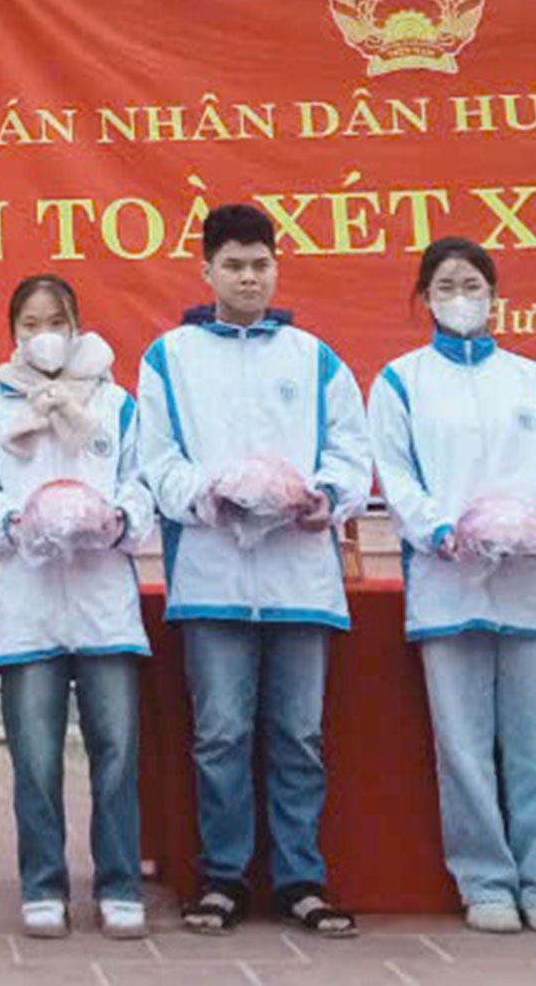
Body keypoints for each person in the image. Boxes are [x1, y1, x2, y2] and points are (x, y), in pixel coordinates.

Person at [136, 203, 368, 939]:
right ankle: (223, 878)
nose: (247, 277)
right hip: (212, 578)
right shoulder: (169, 357)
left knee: (299, 735)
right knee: (221, 734)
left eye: (259, 264)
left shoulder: (315, 357)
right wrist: (209, 494)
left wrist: (322, 496)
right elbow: (157, 460)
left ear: (276, 267)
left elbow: (351, 455)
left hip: (300, 578)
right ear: (206, 270)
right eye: (233, 265)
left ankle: (301, 878)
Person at [369, 237, 536, 935]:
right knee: (462, 745)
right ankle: (485, 880)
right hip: (447, 582)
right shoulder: (400, 381)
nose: (461, 297)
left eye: (473, 285)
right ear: (424, 298)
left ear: (494, 295)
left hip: (530, 584)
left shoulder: (533, 380)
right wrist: (438, 529)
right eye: (446, 286)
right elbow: (396, 476)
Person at [0, 275, 150, 941]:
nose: (45, 335)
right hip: (30, 606)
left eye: (56, 321)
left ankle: (119, 884)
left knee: (116, 751)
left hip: (104, 605)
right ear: (14, 332)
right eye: (31, 323)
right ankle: (43, 883)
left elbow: (141, 486)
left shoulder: (116, 404)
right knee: (36, 757)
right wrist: (19, 521)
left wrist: (114, 517)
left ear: (76, 326)